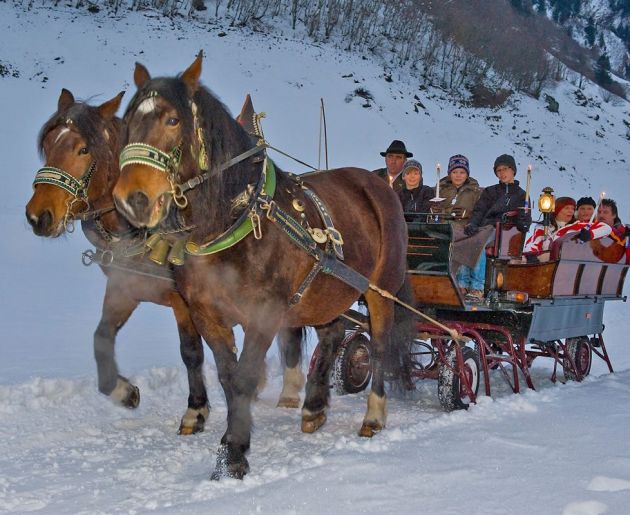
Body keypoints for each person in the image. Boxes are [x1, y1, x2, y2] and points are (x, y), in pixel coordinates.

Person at [462, 154, 531, 302]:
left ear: (513, 170)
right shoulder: (490, 191)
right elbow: (479, 210)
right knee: (463, 240)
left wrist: (523, 220)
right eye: (498, 170)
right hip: (485, 228)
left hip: (504, 232)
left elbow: (524, 222)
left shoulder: (521, 195)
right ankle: (461, 284)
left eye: (505, 169)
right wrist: (472, 224)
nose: (502, 173)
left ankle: (477, 287)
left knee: (478, 243)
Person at [436, 154, 481, 225]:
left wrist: (469, 214)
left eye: (462, 172)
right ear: (449, 174)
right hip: (441, 229)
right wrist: (435, 212)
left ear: (467, 175)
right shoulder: (439, 190)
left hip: (465, 231)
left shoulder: (476, 192)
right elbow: (430, 210)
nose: (458, 175)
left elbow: (481, 212)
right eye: (454, 172)